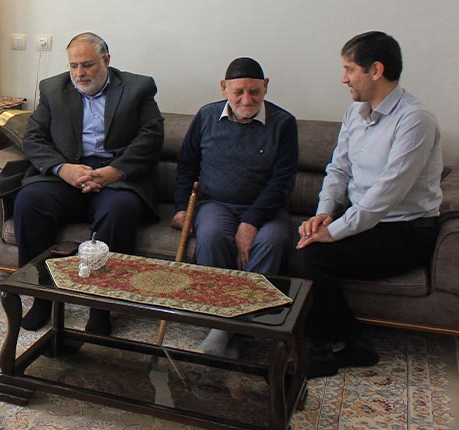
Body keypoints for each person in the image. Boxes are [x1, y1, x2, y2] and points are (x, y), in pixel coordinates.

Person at [287, 31, 442, 378]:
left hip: (404, 231)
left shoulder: (415, 119)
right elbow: (338, 169)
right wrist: (324, 214)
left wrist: (334, 232)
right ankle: (355, 342)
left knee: (309, 256)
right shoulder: (355, 113)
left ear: (376, 70)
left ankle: (319, 353)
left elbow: (388, 193)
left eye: (349, 69)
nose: (344, 78)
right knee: (294, 242)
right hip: (362, 221)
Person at [12, 32, 164, 334]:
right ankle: (42, 296)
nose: (79, 73)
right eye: (74, 66)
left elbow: (151, 138)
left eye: (88, 65)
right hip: (68, 174)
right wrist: (62, 169)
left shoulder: (138, 88)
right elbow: (34, 138)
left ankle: (100, 306)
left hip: (115, 178)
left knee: (119, 210)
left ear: (106, 60)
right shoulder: (53, 88)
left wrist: (113, 172)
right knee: (29, 201)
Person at [171, 57, 298, 356]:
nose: (246, 99)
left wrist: (251, 221)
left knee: (273, 241)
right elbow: (186, 166)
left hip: (267, 208)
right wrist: (181, 207)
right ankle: (226, 322)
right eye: (238, 91)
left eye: (254, 91)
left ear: (266, 86)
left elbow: (282, 182)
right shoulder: (206, 116)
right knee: (212, 236)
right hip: (216, 203)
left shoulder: (283, 123)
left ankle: (231, 327)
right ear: (224, 87)